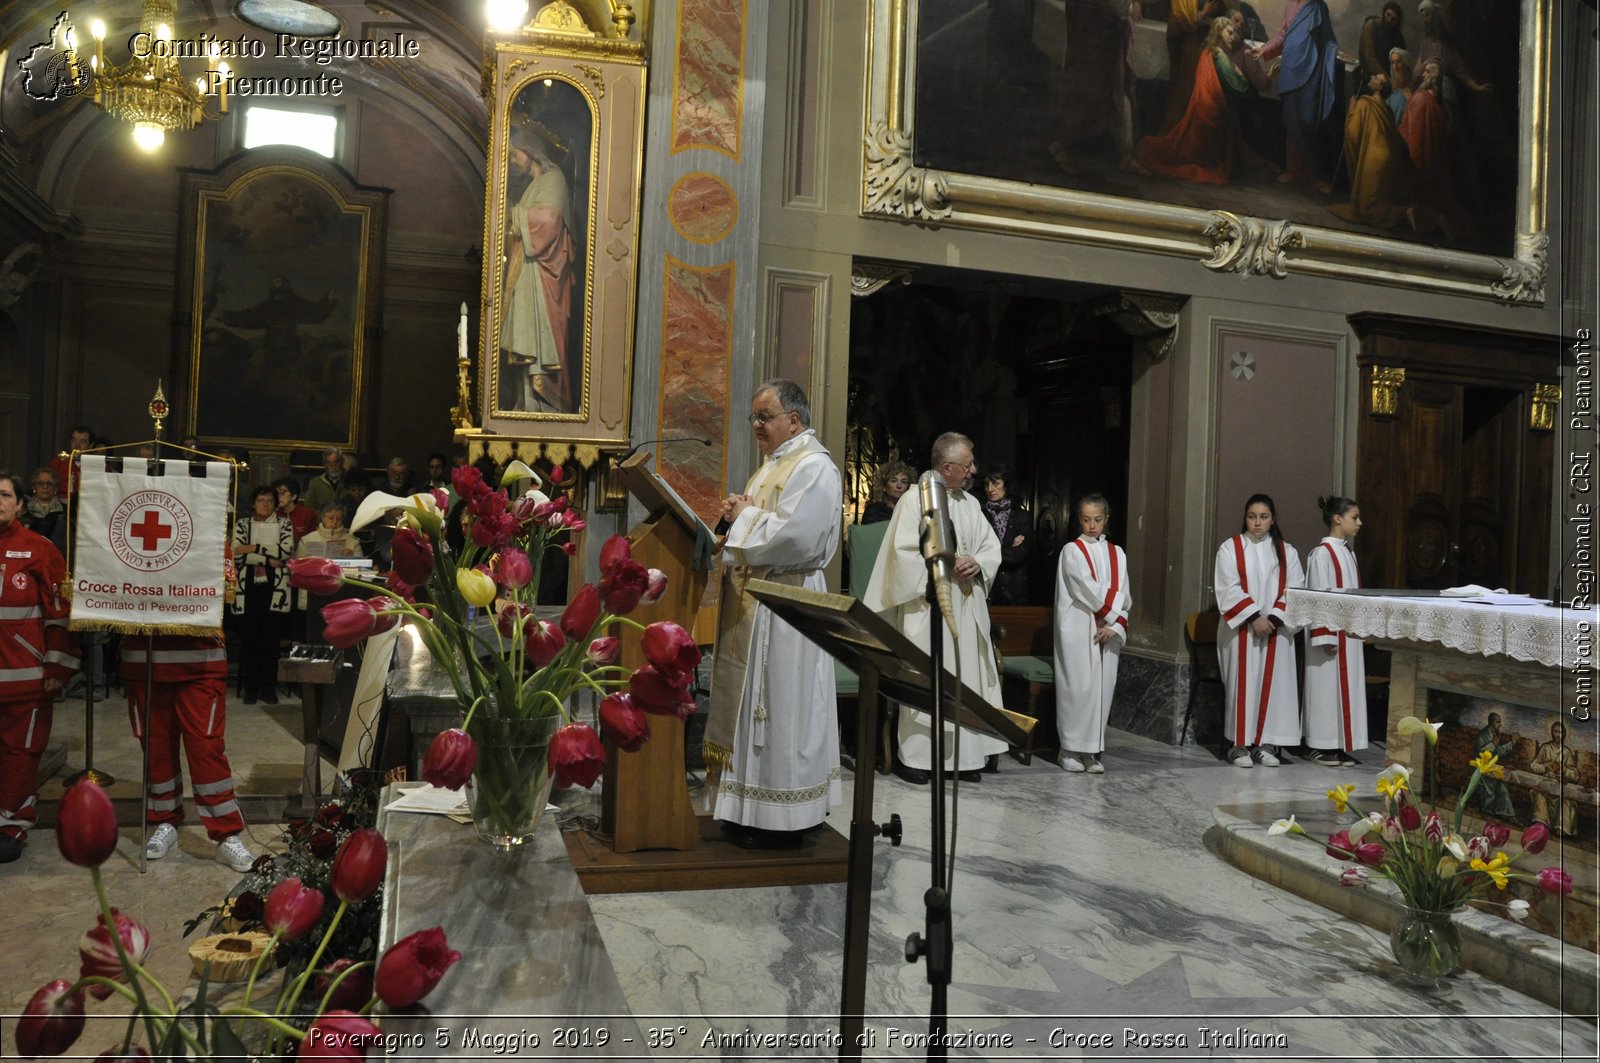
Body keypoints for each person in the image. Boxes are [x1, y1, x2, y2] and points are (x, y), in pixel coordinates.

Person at [704, 379, 842, 849]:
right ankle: (746, 811)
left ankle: (785, 818)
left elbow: (797, 538)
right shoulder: (773, 466)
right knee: (753, 708)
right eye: (755, 417)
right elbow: (760, 528)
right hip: (758, 599)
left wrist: (744, 515)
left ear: (795, 420)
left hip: (789, 604)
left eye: (765, 416)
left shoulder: (814, 467)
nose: (757, 425)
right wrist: (733, 516)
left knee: (783, 705)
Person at [864, 432, 1008, 784]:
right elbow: (902, 554)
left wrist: (977, 562)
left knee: (965, 680)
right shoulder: (914, 500)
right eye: (968, 464)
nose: (974, 470)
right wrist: (942, 566)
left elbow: (991, 547)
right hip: (928, 606)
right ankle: (916, 759)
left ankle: (965, 759)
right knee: (927, 678)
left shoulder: (971, 504)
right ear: (947, 467)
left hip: (967, 604)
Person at [122, 631, 257, 872]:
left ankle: (226, 834)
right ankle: (165, 821)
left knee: (206, 750)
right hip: (144, 660)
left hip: (201, 659)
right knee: (156, 751)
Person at [0, 471, 77, 863]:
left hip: (25, 680)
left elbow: (60, 615)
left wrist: (56, 669)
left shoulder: (39, 549)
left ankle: (12, 825)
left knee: (21, 753)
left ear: (19, 504)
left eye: (3, 494)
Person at [1214, 493, 1303, 768]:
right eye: (1252, 516)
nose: (1257, 522)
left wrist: (1274, 619)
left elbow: (1296, 589)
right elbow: (1228, 587)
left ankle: (1266, 746)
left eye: (1263, 517)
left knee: (1273, 688)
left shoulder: (1287, 552)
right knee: (1243, 685)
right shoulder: (1230, 548)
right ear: (1245, 517)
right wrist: (1254, 617)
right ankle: (1239, 746)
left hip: (1276, 632)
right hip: (1242, 630)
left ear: (1272, 519)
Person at [500, 127, 578, 413]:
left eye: (515, 155)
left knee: (539, 339)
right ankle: (527, 399)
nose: (512, 161)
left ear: (531, 152)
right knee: (524, 339)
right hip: (527, 271)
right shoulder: (533, 187)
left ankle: (542, 401)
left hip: (544, 274)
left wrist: (514, 214)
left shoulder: (553, 179)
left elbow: (550, 220)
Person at [1053, 494, 1129, 773]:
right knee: (1078, 689)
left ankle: (1093, 752)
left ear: (1106, 519)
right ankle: (1069, 749)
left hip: (1107, 632)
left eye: (1097, 520)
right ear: (1079, 519)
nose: (1092, 525)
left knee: (1102, 690)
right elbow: (1083, 588)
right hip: (1079, 629)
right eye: (1086, 520)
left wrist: (1115, 625)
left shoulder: (1117, 554)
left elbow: (1126, 595)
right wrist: (1111, 613)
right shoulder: (1072, 551)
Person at [1136, 17, 1258, 185]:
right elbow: (1239, 87)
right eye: (1229, 33)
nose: (1233, 37)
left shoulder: (1209, 51)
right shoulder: (1220, 56)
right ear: (1218, 32)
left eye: (1234, 33)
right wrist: (1241, 75)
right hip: (1212, 112)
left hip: (1204, 109)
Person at [1302, 496, 1366, 766]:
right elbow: (1317, 597)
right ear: (1337, 519)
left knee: (1345, 690)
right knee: (1325, 689)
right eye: (1355, 517)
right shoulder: (1322, 554)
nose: (1359, 523)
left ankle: (1338, 744)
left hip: (1347, 636)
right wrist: (1324, 634)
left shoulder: (1347, 552)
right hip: (1329, 637)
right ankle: (1318, 745)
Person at [1253, 0, 1341, 188]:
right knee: (1290, 119)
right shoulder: (1291, 3)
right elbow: (1283, 33)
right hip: (1290, 69)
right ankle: (1293, 170)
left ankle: (1316, 174)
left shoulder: (1317, 6)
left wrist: (1335, 52)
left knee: (1308, 122)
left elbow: (1327, 39)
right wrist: (1265, 49)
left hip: (1310, 70)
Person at [230, 486, 293, 705]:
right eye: (260, 500)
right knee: (250, 640)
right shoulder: (242, 524)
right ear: (253, 503)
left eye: (269, 501)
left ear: (275, 504)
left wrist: (253, 547)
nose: (265, 504)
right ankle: (250, 688)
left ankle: (268, 688)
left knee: (270, 641)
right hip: (247, 588)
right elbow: (236, 553)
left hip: (274, 589)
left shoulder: (283, 524)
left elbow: (285, 550)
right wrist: (266, 559)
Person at [980, 465, 1033, 606]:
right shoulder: (980, 515)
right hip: (988, 590)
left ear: (1006, 484)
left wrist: (987, 555)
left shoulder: (1022, 516)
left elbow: (1018, 555)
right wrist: (1009, 547)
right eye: (987, 484)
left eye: (996, 483)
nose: (990, 489)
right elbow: (976, 552)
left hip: (1015, 589)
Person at [1528, 719, 1581, 837]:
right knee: (1540, 795)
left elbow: (1575, 774)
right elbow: (1533, 765)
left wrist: (1565, 771)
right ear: (1551, 732)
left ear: (1564, 735)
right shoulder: (1545, 748)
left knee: (1567, 800)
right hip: (1546, 784)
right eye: (1555, 731)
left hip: (1560, 786)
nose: (1558, 735)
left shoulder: (1567, 752)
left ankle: (1561, 828)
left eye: (1560, 732)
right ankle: (1541, 823)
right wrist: (1545, 767)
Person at [1473, 712, 1517, 818]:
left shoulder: (1494, 735)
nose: (1500, 725)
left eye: (1500, 722)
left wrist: (1512, 743)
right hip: (1482, 768)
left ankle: (1507, 814)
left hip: (1491, 767)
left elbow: (1497, 752)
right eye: (1498, 722)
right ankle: (1486, 811)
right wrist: (1492, 744)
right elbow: (1481, 753)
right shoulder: (1483, 735)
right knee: (1490, 786)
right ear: (1491, 723)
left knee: (1502, 786)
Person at [21, 466, 68, 553]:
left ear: (56, 488)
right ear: (34, 487)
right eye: (40, 483)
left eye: (49, 483)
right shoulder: (22, 510)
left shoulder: (66, 512)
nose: (45, 486)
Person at [296, 502, 361, 559]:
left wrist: (351, 558)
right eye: (331, 518)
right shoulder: (306, 540)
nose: (335, 522)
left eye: (339, 519)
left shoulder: (353, 542)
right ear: (322, 517)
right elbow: (298, 566)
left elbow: (361, 568)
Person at [48, 424, 93, 501]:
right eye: (74, 440)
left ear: (90, 445)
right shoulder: (57, 464)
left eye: (82, 442)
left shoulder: (98, 466)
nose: (77, 446)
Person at [862, 460, 913, 525]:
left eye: (904, 482)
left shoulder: (913, 511)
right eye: (894, 481)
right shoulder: (873, 511)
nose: (899, 486)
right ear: (884, 486)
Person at [302, 447, 348, 515]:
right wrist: (324, 518)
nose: (333, 466)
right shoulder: (315, 483)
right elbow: (309, 507)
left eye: (336, 461)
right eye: (329, 463)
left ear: (342, 462)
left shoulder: (349, 481)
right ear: (324, 465)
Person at [273, 476, 317, 543]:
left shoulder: (308, 514)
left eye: (282, 492)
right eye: (277, 493)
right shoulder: (274, 515)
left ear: (293, 496)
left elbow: (314, 540)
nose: (278, 496)